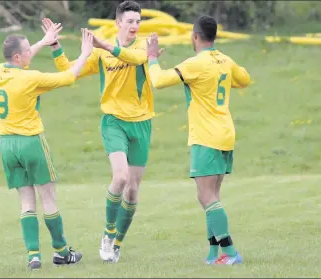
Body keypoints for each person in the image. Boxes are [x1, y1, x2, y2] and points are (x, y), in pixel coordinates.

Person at [41, 0, 159, 263]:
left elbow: (137, 58)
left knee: (133, 191)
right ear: (118, 23)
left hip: (141, 123)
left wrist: (104, 44)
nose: (135, 26)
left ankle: (117, 243)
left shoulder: (141, 45)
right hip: (113, 121)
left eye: (138, 22)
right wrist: (54, 45)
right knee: (120, 178)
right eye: (129, 21)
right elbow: (68, 69)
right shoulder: (102, 53)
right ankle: (108, 233)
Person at [146, 15, 251, 265]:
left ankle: (230, 252)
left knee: (206, 197)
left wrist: (152, 57)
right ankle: (213, 254)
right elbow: (244, 78)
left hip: (206, 136)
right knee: (211, 195)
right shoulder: (224, 60)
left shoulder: (196, 63)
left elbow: (158, 81)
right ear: (214, 36)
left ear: (195, 36)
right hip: (225, 133)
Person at [0, 24, 94, 269]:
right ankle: (61, 252)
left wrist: (44, 41)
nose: (30, 53)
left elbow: (22, 59)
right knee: (48, 197)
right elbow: (69, 77)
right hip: (30, 142)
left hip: (7, 145)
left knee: (26, 201)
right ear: (18, 57)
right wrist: (85, 53)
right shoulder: (30, 78)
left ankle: (33, 255)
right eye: (27, 50)